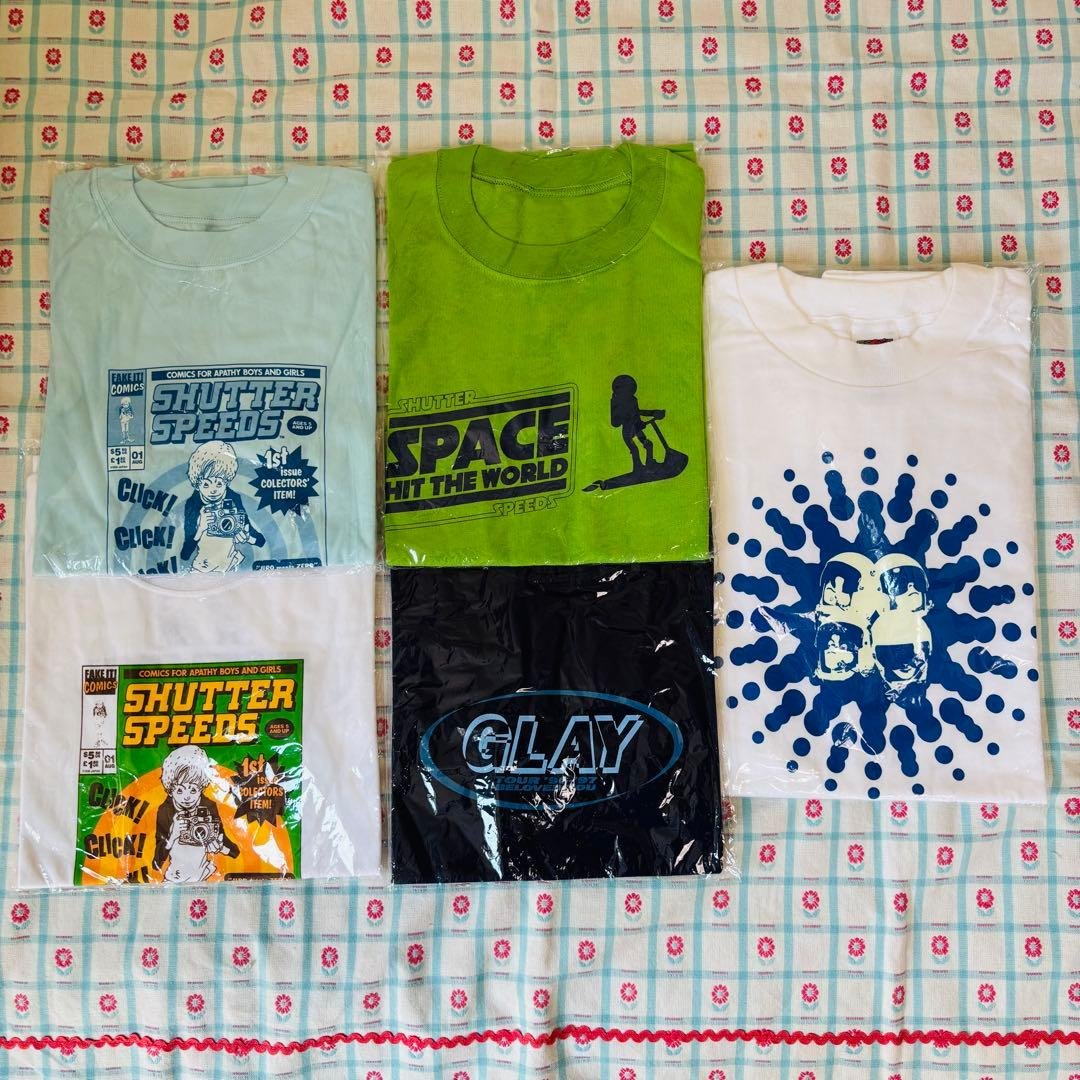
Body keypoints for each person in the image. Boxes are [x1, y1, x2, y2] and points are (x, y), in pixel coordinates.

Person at [153, 745, 239, 883]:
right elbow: (156, 862)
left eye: (193, 790)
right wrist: (173, 835)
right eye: (180, 790)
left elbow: (234, 852)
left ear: (202, 787)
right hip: (174, 876)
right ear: (170, 791)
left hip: (204, 873)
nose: (187, 797)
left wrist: (220, 846)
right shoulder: (166, 810)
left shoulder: (209, 806)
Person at [180, 440, 265, 572]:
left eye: (219, 484)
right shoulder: (193, 504)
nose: (213, 490)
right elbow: (185, 555)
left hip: (231, 563)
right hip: (203, 567)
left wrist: (248, 537)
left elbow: (260, 541)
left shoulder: (233, 498)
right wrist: (200, 529)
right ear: (197, 485)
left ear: (227, 481)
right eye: (206, 484)